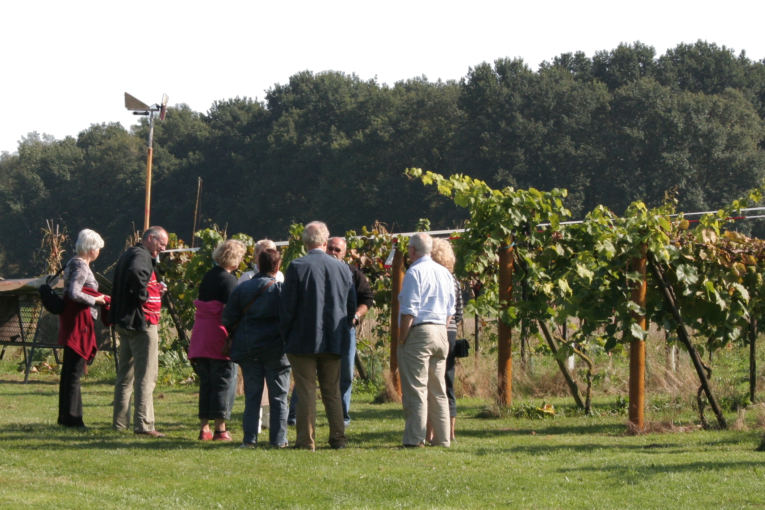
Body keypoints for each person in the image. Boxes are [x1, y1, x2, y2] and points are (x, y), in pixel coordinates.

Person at [280, 221, 355, 450]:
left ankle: (306, 440)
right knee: (332, 391)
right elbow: (350, 306)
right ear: (325, 241)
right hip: (334, 339)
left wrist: (285, 334)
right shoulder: (343, 268)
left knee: (306, 390)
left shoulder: (296, 266)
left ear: (305, 242)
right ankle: (338, 438)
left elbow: (288, 307)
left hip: (302, 339)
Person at [289, 237, 373, 426]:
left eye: (338, 249)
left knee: (345, 375)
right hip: (313, 328)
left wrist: (356, 316)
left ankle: (341, 418)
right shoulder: (311, 268)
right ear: (325, 247)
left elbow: (366, 297)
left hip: (342, 329)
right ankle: (294, 415)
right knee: (305, 376)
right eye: (331, 248)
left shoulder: (352, 272)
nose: (334, 252)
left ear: (344, 252)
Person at [223, 249, 290, 448]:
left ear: (258, 265)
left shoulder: (242, 289)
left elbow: (227, 318)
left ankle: (250, 439)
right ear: (278, 267)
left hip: (248, 347)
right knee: (279, 395)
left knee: (252, 395)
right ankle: (279, 440)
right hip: (276, 349)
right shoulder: (281, 290)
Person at [110, 226, 169, 437]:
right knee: (146, 375)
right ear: (150, 238)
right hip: (140, 323)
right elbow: (136, 274)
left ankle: (119, 423)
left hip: (124, 321)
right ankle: (144, 424)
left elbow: (131, 277)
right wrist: (145, 295)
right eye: (161, 244)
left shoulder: (128, 253)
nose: (162, 249)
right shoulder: (142, 255)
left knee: (125, 375)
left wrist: (149, 289)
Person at [398, 233, 455, 448]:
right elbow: (450, 310)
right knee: (438, 389)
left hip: (420, 332)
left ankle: (415, 438)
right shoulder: (445, 273)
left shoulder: (414, 272)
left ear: (412, 250)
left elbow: (409, 310)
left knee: (416, 388)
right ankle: (442, 439)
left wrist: (403, 339)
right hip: (441, 330)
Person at [188, 239, 245, 441]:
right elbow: (232, 312)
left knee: (206, 383)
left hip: (201, 336)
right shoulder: (229, 280)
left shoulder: (208, 276)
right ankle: (221, 429)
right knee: (223, 382)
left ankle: (205, 429)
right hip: (218, 336)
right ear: (235, 258)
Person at [57, 229, 108, 428]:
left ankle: (66, 417)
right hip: (79, 322)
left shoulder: (73, 263)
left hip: (74, 320)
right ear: (91, 249)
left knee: (70, 370)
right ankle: (73, 418)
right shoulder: (81, 267)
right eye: (98, 248)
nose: (99, 252)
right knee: (74, 371)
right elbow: (74, 292)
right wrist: (96, 299)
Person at [427, 238, 463, 442]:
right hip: (450, 333)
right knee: (447, 381)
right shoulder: (453, 280)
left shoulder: (430, 277)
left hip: (433, 330)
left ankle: (430, 431)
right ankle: (450, 432)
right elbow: (458, 312)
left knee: (429, 380)